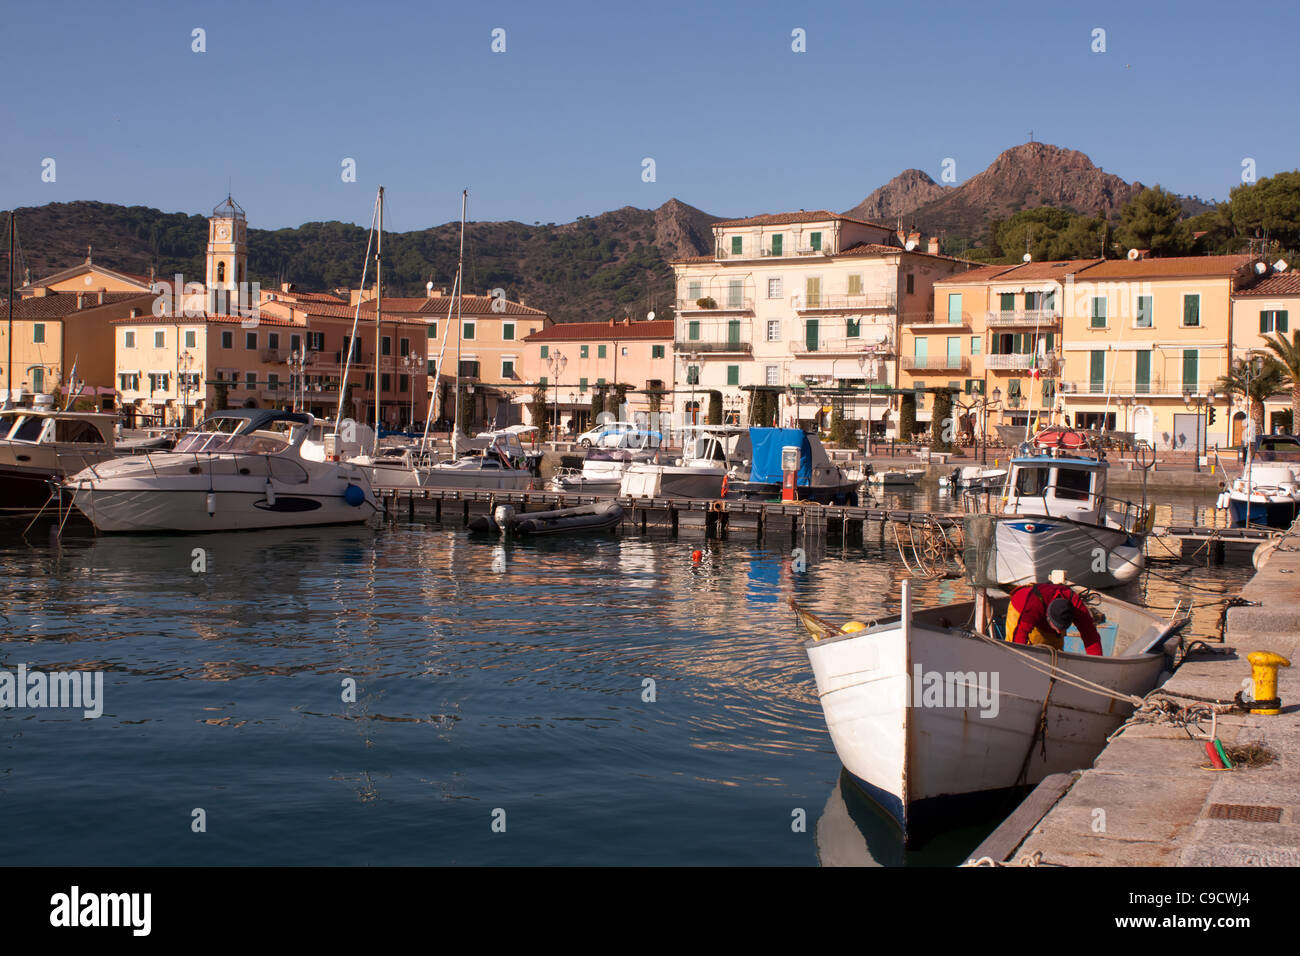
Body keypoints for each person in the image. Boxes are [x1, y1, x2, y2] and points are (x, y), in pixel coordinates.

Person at [1004, 583, 1103, 656]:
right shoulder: (1033, 605)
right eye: (1057, 627)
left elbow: (1091, 636)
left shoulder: (1077, 607)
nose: (1059, 631)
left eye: (1063, 628)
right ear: (1048, 617)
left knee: (1054, 656)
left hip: (1044, 619)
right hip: (1020, 608)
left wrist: (1097, 666)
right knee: (1021, 650)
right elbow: (1019, 637)